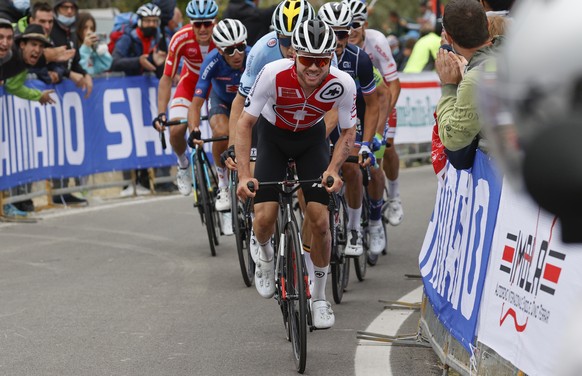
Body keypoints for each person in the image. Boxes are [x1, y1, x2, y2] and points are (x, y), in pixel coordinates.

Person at [236, 20, 357, 329]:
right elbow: (245, 124)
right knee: (264, 217)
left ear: (331, 58)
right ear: (295, 56)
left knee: (319, 220)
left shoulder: (342, 83)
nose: (314, 67)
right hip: (272, 138)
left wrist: (332, 169)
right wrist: (244, 175)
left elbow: (347, 132)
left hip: (311, 140)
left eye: (322, 60)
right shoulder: (273, 74)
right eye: (307, 59)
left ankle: (319, 296)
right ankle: (264, 256)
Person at [318, 2, 384, 256]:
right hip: (325, 117)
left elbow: (373, 102)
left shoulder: (360, 59)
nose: (338, 40)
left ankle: (356, 228)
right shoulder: (311, 60)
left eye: (343, 33)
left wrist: (367, 142)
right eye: (331, 33)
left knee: (353, 167)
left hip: (354, 114)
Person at [347, 0, 404, 231]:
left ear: (365, 25)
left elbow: (394, 85)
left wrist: (382, 125)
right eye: (345, 26)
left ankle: (394, 197)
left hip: (380, 100)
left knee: (384, 148)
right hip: (351, 103)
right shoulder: (337, 43)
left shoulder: (377, 41)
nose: (350, 30)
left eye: (355, 24)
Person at [152, 0, 218, 197]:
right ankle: (183, 165)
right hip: (191, 84)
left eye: (207, 23)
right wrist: (161, 114)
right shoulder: (180, 38)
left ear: (214, 22)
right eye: (198, 24)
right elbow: (166, 78)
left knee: (221, 129)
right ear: (191, 23)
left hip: (217, 85)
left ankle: (225, 182)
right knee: (176, 130)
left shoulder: (223, 35)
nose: (203, 29)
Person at [187, 18, 250, 217]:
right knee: (222, 133)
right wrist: (194, 129)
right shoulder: (211, 62)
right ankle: (222, 184)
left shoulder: (254, 55)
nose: (237, 54)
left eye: (241, 47)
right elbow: (196, 103)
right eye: (230, 50)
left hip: (247, 105)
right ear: (220, 51)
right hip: (221, 101)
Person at [111, 3, 166, 196]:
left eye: (154, 21)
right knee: (130, 135)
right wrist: (138, 61)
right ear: (140, 22)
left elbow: (160, 69)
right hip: (128, 92)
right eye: (148, 21)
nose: (151, 24)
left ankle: (147, 180)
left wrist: (159, 65)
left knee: (147, 135)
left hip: (148, 93)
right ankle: (129, 183)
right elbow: (115, 61)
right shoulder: (128, 38)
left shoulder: (159, 38)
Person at [435, 0, 498, 158]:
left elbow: (454, 139)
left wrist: (449, 86)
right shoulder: (517, 50)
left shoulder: (474, 79)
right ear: (487, 26)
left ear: (448, 38)